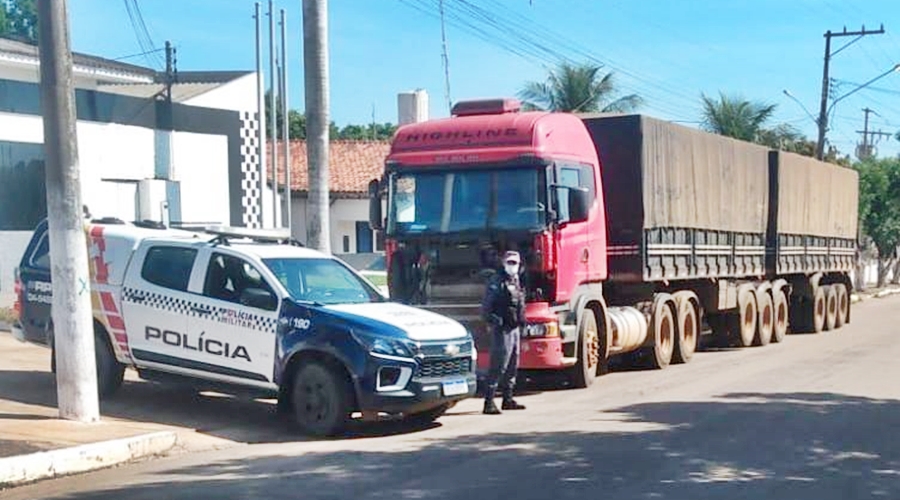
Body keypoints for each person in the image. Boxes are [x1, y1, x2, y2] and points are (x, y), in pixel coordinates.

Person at [481, 250, 527, 415]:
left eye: (515, 263)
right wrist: (493, 320)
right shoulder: (496, 281)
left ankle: (508, 399)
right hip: (502, 329)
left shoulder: (516, 280)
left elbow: (519, 302)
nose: (512, 266)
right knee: (499, 364)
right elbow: (487, 306)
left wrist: (523, 321)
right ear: (504, 263)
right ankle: (489, 402)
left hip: (514, 327)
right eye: (510, 262)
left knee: (513, 364)